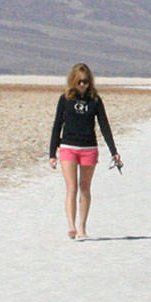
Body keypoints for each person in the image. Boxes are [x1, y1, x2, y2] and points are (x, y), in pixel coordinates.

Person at [48, 63, 121, 239]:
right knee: (71, 187)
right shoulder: (65, 99)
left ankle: (82, 227)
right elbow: (57, 125)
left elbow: (104, 126)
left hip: (89, 148)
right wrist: (52, 153)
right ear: (73, 81)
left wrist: (114, 151)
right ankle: (71, 225)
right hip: (68, 148)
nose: (83, 85)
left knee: (85, 188)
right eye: (80, 81)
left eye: (86, 81)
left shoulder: (95, 100)